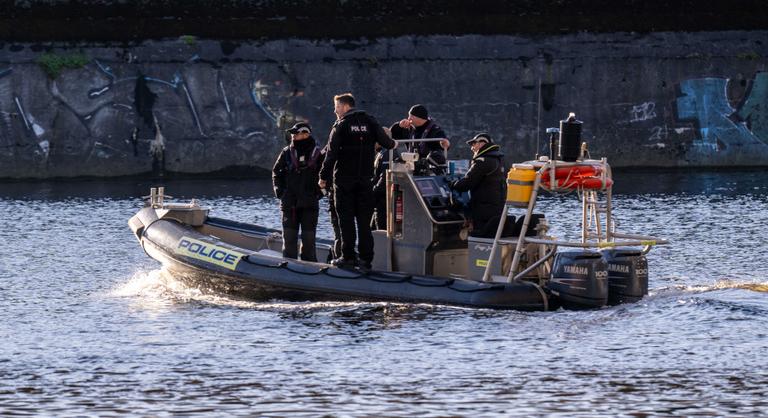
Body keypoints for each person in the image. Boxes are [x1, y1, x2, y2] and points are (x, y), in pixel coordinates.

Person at [319, 93, 397, 269]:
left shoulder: (341, 125)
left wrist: (323, 177)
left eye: (337, 107)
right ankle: (366, 259)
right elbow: (388, 143)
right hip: (365, 181)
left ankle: (348, 258)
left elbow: (331, 155)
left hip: (344, 180)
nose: (335, 111)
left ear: (346, 107)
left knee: (345, 220)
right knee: (364, 221)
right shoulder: (370, 121)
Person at [272, 121, 324, 261]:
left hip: (310, 205)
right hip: (289, 204)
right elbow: (276, 172)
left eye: (296, 133)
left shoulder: (319, 154)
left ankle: (309, 272)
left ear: (305, 134)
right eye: (292, 133)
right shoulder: (286, 152)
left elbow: (327, 177)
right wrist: (280, 192)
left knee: (308, 242)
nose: (293, 136)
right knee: (289, 241)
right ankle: (288, 269)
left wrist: (319, 194)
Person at [449, 133, 506, 238]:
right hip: (497, 206)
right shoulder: (497, 159)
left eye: (474, 144)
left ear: (482, 143)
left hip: (484, 209)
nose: (472, 148)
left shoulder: (482, 161)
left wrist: (452, 184)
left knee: (481, 237)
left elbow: (467, 183)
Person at [371, 141, 400, 230]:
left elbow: (384, 177)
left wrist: (373, 192)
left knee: (380, 228)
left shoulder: (387, 154)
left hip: (383, 197)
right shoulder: (382, 153)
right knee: (372, 229)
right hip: (382, 195)